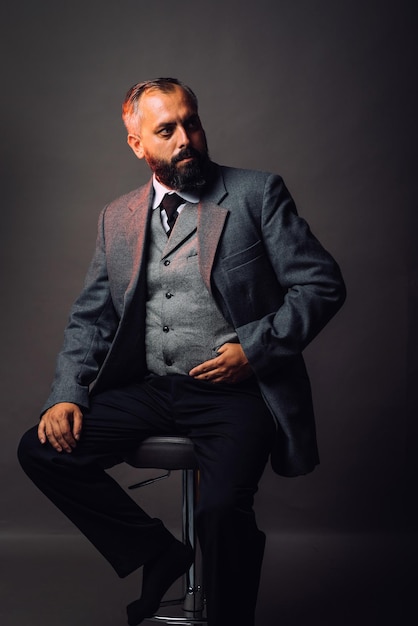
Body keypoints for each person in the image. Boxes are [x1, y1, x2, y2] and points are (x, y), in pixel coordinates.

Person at [18, 77, 346, 626]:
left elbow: (321, 285)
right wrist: (65, 394)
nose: (185, 138)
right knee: (41, 450)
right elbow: (92, 319)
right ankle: (157, 552)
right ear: (137, 144)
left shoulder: (255, 193)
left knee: (221, 510)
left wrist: (254, 348)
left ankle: (230, 617)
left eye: (190, 122)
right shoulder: (116, 218)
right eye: (166, 130)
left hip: (236, 394)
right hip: (149, 390)